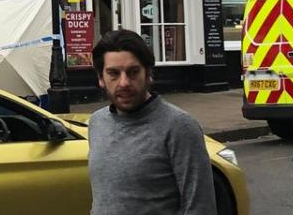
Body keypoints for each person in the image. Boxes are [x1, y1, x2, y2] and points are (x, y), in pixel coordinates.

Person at [88, 29, 216, 215]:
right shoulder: (97, 123)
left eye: (133, 72)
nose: (124, 82)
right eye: (113, 73)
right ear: (101, 78)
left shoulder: (179, 126)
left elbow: (200, 207)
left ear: (148, 74)